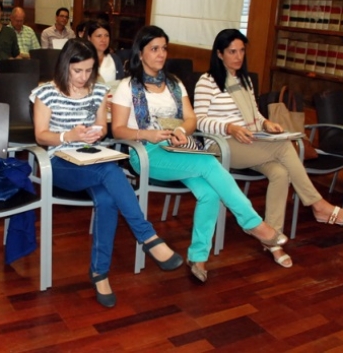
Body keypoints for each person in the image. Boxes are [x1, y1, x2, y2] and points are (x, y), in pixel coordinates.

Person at [110, 25, 288, 283]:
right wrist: (148, 135)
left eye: (164, 48)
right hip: (146, 152)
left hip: (178, 148)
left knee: (210, 192)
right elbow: (118, 129)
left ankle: (198, 255)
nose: (161, 54)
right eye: (154, 49)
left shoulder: (174, 83)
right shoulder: (127, 86)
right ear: (140, 52)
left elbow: (192, 118)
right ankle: (253, 224)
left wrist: (182, 129)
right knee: (208, 163)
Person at [31, 37, 183, 308]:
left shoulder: (98, 91)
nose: (83, 77)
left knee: (108, 197)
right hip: (59, 163)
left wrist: (96, 132)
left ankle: (100, 273)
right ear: (65, 66)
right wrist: (69, 135)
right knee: (111, 172)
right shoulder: (45, 93)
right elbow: (41, 136)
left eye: (89, 70)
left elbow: (102, 128)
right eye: (77, 71)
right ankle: (147, 236)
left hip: (92, 159)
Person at [194, 28, 343, 267]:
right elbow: (199, 120)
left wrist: (266, 123)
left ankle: (272, 242)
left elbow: (255, 113)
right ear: (219, 54)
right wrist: (230, 128)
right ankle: (319, 205)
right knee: (284, 147)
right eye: (232, 51)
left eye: (242, 51)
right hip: (222, 145)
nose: (238, 56)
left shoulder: (244, 81)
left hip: (251, 141)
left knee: (281, 173)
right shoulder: (207, 81)